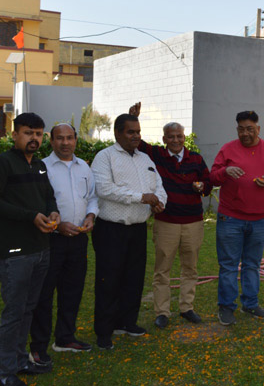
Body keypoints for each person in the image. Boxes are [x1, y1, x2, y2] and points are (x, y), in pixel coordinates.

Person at [0, 113, 60, 386]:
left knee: (28, 308)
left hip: (40, 248)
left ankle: (19, 361)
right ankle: (5, 373)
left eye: (38, 134)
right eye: (28, 133)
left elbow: (48, 196)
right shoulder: (1, 163)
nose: (34, 139)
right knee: (14, 312)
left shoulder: (39, 165)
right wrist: (30, 216)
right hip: (14, 251)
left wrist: (53, 211)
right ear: (15, 134)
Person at [129, 102, 212, 329]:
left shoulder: (196, 159)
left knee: (190, 268)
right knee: (162, 269)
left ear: (184, 137)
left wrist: (201, 186)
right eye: (171, 136)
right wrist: (133, 117)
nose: (176, 140)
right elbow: (138, 142)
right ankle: (162, 311)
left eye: (179, 136)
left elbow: (208, 184)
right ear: (164, 139)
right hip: (166, 222)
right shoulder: (156, 155)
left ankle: (187, 308)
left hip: (193, 222)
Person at [91, 113, 167, 349]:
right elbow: (104, 189)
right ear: (117, 133)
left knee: (134, 278)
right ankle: (104, 331)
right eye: (130, 132)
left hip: (137, 229)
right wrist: (141, 197)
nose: (136, 136)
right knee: (109, 280)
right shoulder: (105, 157)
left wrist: (160, 202)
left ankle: (127, 322)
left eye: (138, 132)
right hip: (111, 229)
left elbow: (159, 187)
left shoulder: (145, 158)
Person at [209, 110, 264, 326]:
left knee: (252, 264)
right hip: (230, 218)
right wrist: (225, 171)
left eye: (250, 129)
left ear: (258, 129)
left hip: (260, 219)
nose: (245, 133)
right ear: (237, 129)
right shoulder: (228, 149)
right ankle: (226, 307)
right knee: (229, 265)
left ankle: (250, 303)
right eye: (241, 129)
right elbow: (212, 177)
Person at [29, 123, 97, 368]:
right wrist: (57, 226)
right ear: (51, 141)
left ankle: (65, 338)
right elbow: (37, 203)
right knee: (44, 294)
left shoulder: (84, 168)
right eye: (60, 138)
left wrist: (91, 216)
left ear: (76, 140)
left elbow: (92, 197)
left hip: (78, 238)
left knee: (72, 290)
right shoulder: (42, 167)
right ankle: (38, 347)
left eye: (69, 138)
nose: (65, 143)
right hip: (50, 239)